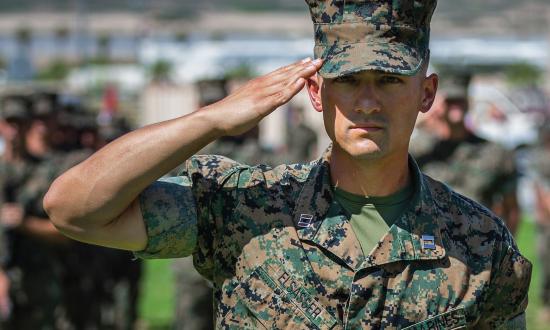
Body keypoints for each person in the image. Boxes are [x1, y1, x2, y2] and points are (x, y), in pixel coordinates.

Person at [45, 0, 531, 328]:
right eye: (347, 80)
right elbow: (74, 209)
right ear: (316, 92)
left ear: (426, 93)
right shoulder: (247, 206)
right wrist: (212, 119)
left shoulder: (480, 243)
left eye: (388, 81)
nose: (366, 103)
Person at [414, 71, 521, 235]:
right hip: (432, 246)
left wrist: (508, 252)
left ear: (468, 103)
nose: (455, 107)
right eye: (450, 101)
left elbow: (511, 209)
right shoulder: (421, 151)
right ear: (439, 104)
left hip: (479, 248)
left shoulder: (495, 152)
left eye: (460, 100)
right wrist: (423, 115)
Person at [530, 121, 550, 322]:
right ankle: (546, 303)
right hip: (546, 222)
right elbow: (539, 188)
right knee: (547, 261)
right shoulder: (542, 158)